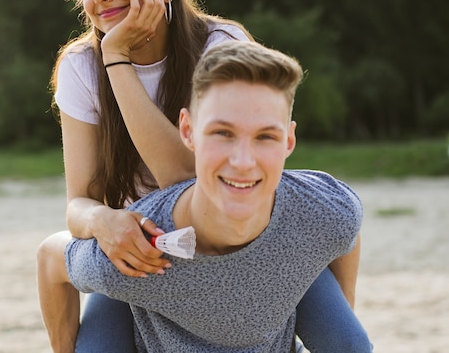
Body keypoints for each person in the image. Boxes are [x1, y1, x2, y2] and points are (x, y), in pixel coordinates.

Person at [37, 0, 369, 352]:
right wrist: (104, 221)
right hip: (147, 250)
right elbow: (78, 200)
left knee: (350, 346)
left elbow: (189, 179)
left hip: (247, 234)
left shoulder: (220, 45)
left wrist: (118, 60)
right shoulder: (81, 65)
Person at [48, 39, 372, 352]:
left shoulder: (325, 209)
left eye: (265, 136)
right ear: (187, 131)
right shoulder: (138, 251)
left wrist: (337, 321)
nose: (243, 162)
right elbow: (50, 257)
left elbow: (344, 226)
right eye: (223, 133)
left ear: (289, 141)